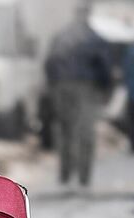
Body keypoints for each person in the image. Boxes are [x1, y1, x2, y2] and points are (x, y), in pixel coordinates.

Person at [45, 2, 112, 186]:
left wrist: (53, 86)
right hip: (86, 88)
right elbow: (104, 68)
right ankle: (84, 177)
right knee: (85, 133)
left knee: (66, 131)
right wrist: (106, 89)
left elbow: (50, 63)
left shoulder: (61, 36)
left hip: (62, 87)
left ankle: (65, 174)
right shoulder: (94, 38)